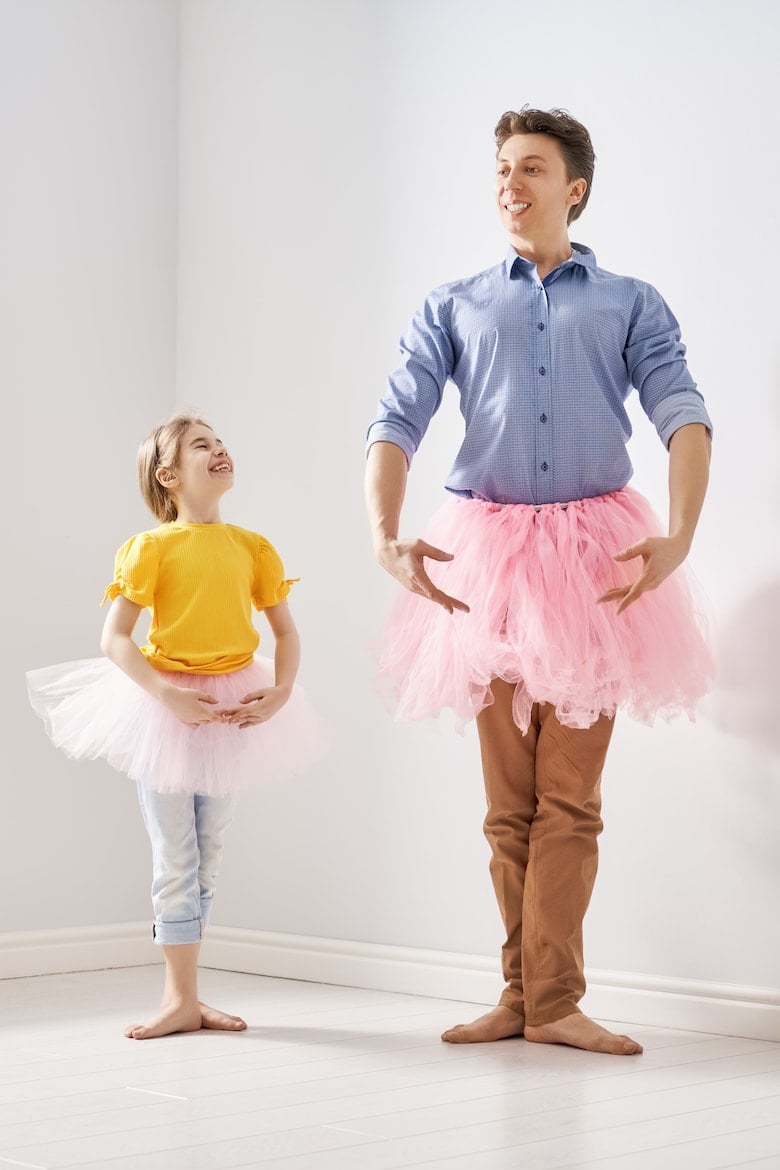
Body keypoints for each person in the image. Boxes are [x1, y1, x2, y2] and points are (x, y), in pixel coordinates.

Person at [365, 107, 713, 1057]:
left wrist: (680, 535)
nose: (510, 183)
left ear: (575, 188)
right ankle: (521, 996)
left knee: (571, 798)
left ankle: (556, 999)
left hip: (597, 565)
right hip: (487, 561)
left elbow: (682, 410)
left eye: (531, 168)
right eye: (501, 168)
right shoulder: (456, 302)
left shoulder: (631, 301)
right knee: (507, 804)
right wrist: (385, 536)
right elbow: (396, 417)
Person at [28, 413, 325, 1039]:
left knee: (208, 852)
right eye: (201, 446)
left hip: (233, 707)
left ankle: (191, 995)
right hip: (166, 711)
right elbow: (114, 638)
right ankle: (177, 996)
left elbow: (286, 631)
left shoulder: (254, 546)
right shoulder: (151, 548)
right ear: (169, 475)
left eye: (220, 442)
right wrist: (168, 696)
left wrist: (282, 692)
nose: (219, 450)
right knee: (175, 853)